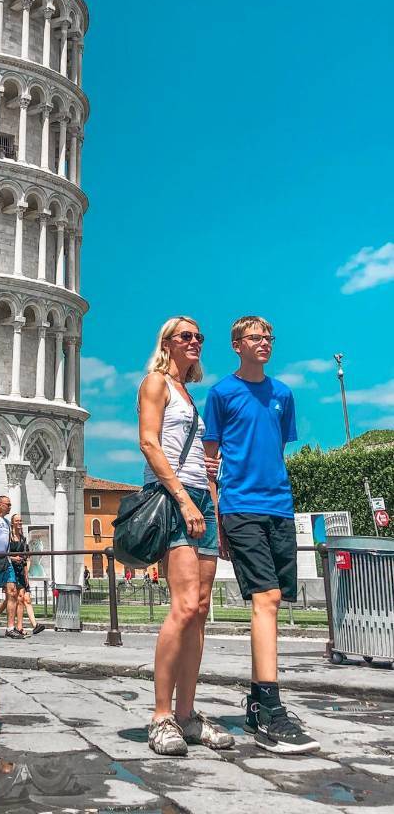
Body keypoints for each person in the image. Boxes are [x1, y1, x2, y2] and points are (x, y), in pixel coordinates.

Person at [204, 315, 320, 755]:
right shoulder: (221, 394)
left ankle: (257, 702)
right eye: (255, 337)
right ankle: (270, 707)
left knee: (274, 599)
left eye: (269, 336)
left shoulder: (283, 394)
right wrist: (217, 514)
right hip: (240, 507)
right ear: (237, 344)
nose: (264, 342)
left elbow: (276, 448)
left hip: (279, 506)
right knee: (266, 598)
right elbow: (211, 459)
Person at [138, 315, 234, 757]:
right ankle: (161, 717)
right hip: (174, 499)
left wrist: (211, 500)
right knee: (181, 607)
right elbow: (149, 444)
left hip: (200, 500)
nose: (195, 341)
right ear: (168, 343)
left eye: (199, 336)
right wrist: (184, 499)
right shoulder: (154, 383)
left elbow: (196, 454)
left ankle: (189, 714)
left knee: (200, 609)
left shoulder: (189, 396)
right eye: (186, 336)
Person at [0, 515, 45, 637]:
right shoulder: (8, 537)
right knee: (11, 598)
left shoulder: (22, 538)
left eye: (21, 520)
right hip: (10, 568)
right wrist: (12, 558)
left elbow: (26, 556)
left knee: (20, 597)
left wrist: (26, 572)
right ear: (12, 523)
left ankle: (19, 626)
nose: (20, 522)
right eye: (17, 520)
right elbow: (3, 553)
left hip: (21, 569)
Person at [0, 496, 20, 638]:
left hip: (5, 561)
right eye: (8, 504)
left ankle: (10, 628)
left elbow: (6, 544)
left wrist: (10, 557)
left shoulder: (7, 523)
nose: (10, 507)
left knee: (12, 592)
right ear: (0, 505)